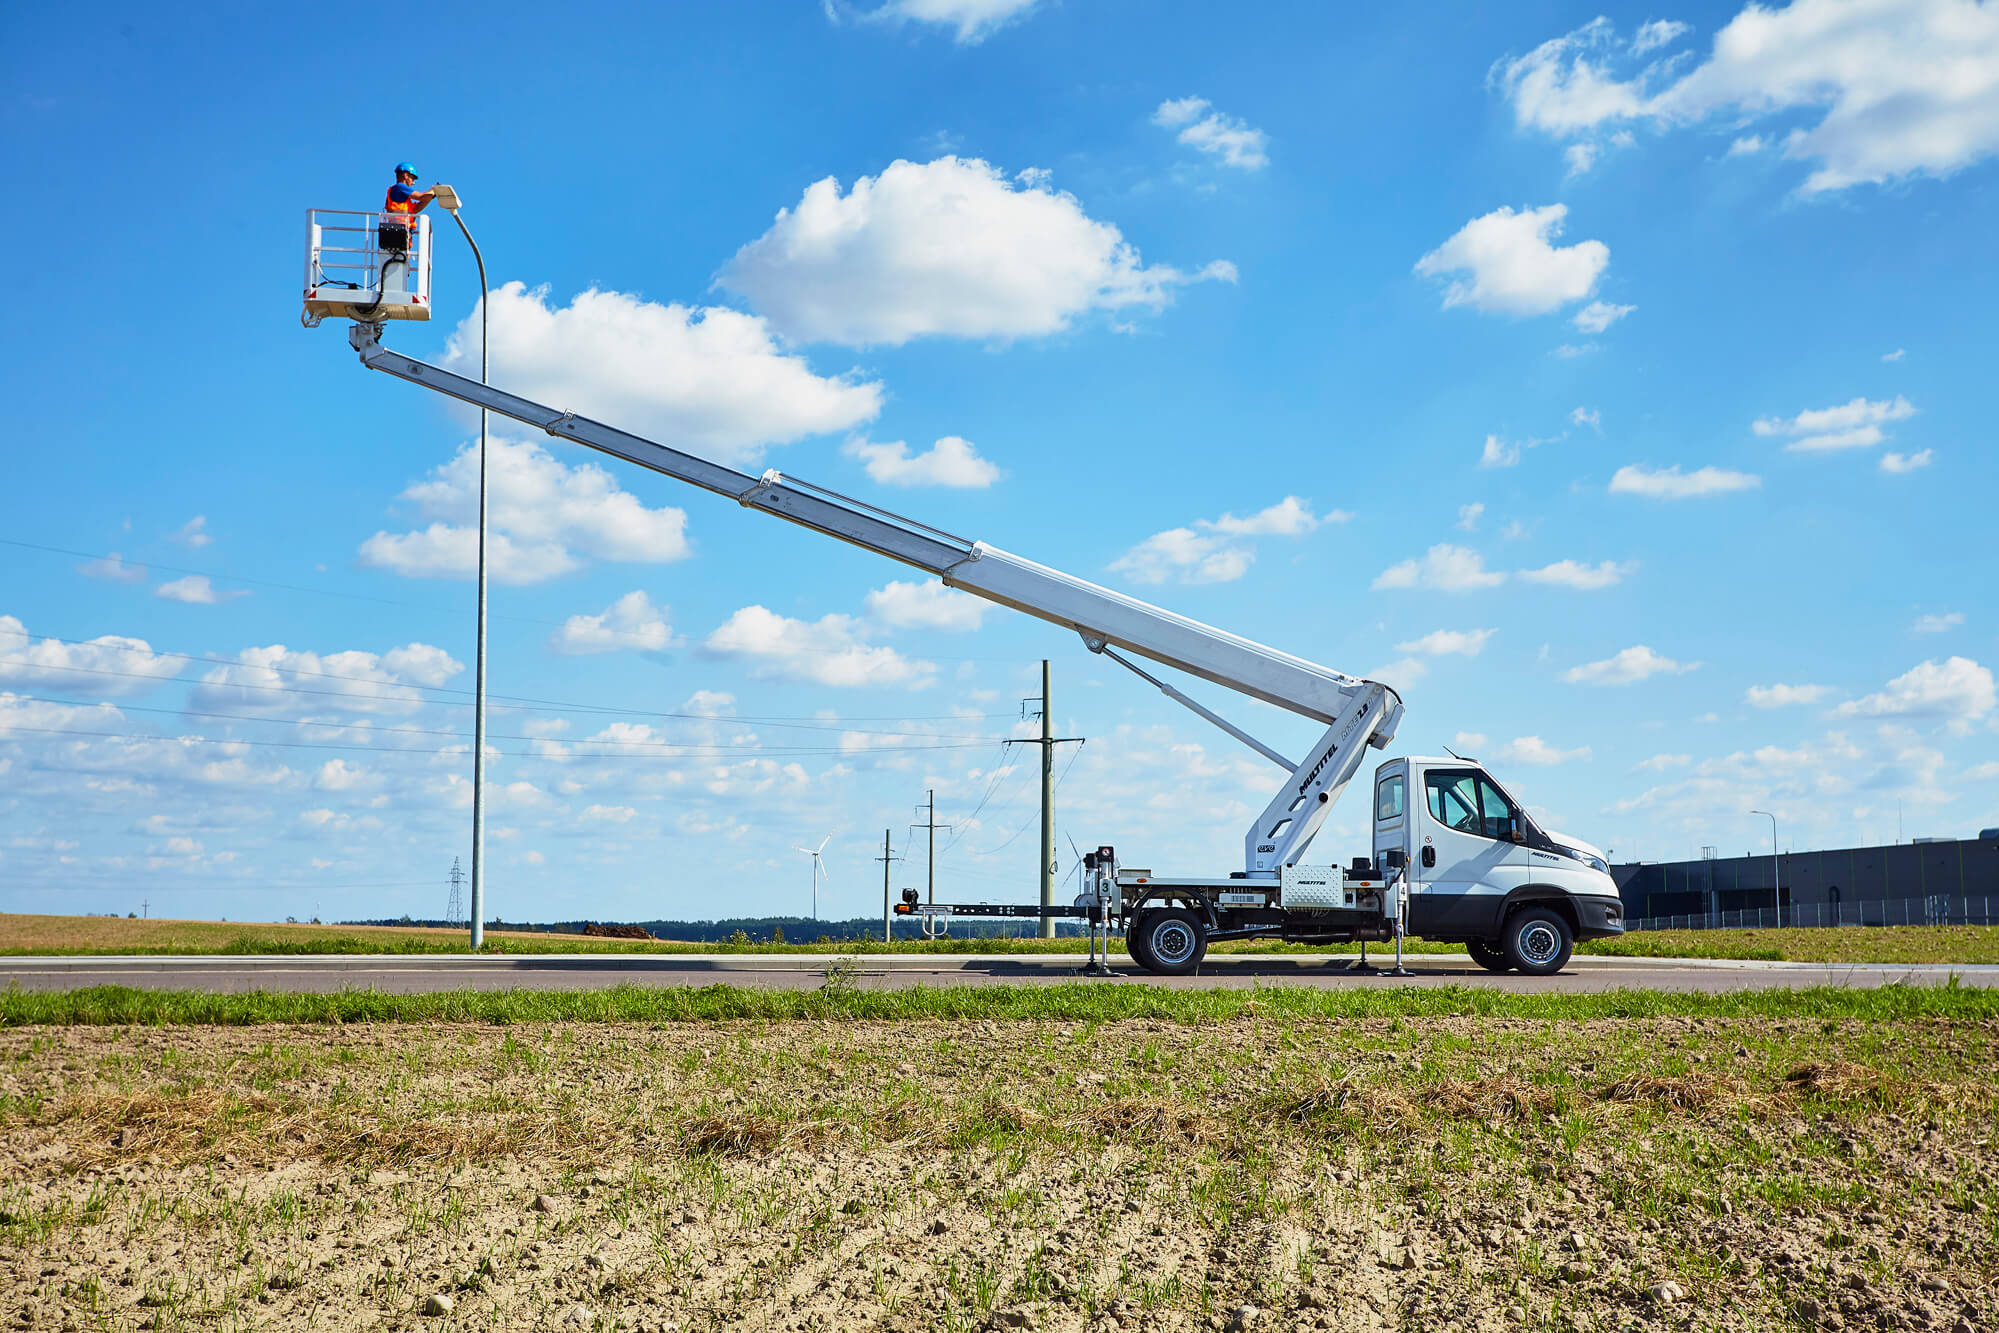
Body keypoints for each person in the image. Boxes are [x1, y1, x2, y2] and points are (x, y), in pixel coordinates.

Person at [379, 162, 435, 254]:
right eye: (412, 178)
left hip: (401, 232)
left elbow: (416, 208)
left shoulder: (402, 197)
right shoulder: (399, 188)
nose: (413, 182)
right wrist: (433, 190)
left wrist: (432, 195)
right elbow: (421, 197)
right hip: (397, 230)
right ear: (405, 175)